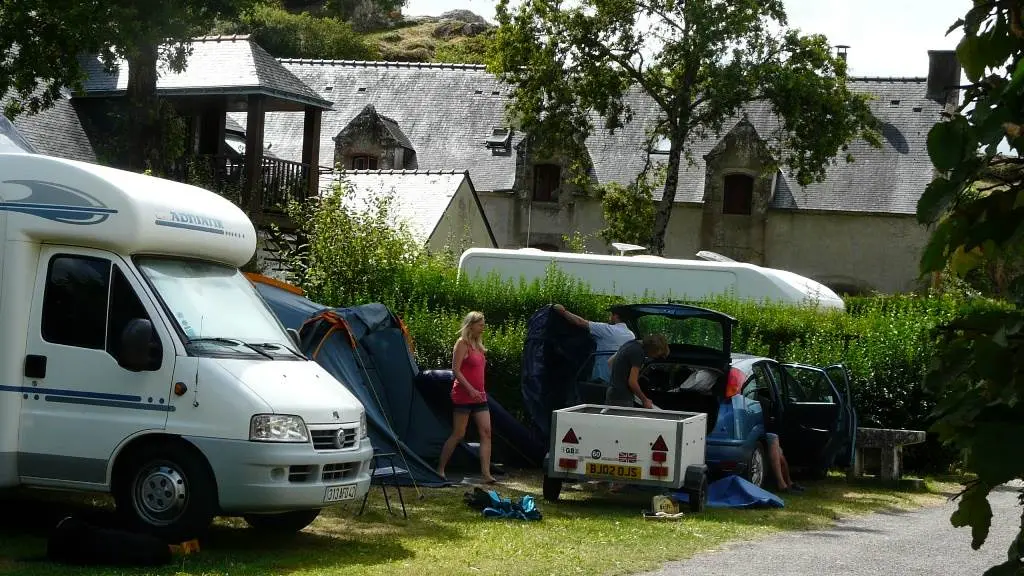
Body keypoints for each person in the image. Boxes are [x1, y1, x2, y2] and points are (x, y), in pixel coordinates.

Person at [437, 311, 495, 484]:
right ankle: (440, 469)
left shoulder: (478, 345)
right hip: (463, 394)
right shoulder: (462, 344)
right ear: (471, 325)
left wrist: (478, 390)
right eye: (480, 324)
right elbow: (456, 370)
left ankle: (486, 474)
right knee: (459, 433)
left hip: (480, 396)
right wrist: (469, 389)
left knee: (486, 432)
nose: (483, 327)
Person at [553, 304, 635, 382]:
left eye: (611, 315)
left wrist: (563, 312)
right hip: (621, 378)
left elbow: (580, 322)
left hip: (603, 377)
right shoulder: (631, 335)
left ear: (616, 316)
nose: (610, 317)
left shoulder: (607, 329)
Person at [606, 334, 670, 408]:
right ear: (653, 349)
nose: (655, 357)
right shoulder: (638, 353)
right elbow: (632, 382)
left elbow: (610, 362)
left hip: (612, 392)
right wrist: (644, 400)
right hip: (622, 398)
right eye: (658, 355)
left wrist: (619, 377)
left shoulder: (629, 344)